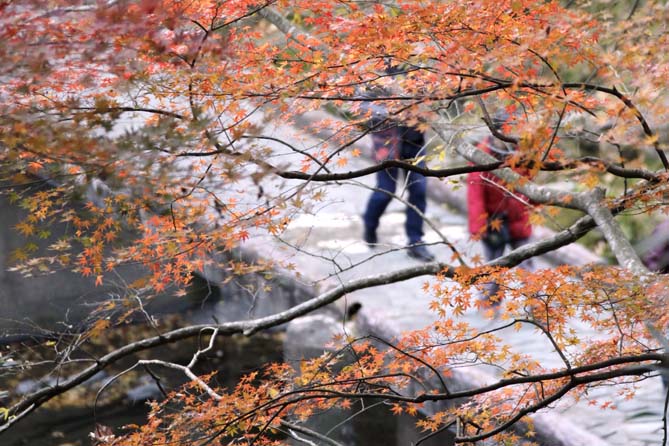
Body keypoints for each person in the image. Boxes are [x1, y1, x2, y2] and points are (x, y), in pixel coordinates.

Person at [467, 112, 532, 301]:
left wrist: (535, 207)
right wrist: (479, 228)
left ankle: (538, 306)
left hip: (519, 218)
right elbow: (475, 197)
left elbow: (530, 184)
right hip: (493, 222)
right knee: (494, 268)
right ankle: (489, 305)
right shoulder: (481, 156)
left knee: (527, 265)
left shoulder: (521, 153)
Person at [361, 121, 435, 262]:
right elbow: (362, 104)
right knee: (385, 192)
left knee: (419, 189)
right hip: (386, 142)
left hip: (415, 143)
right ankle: (370, 224)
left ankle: (415, 241)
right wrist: (391, 113)